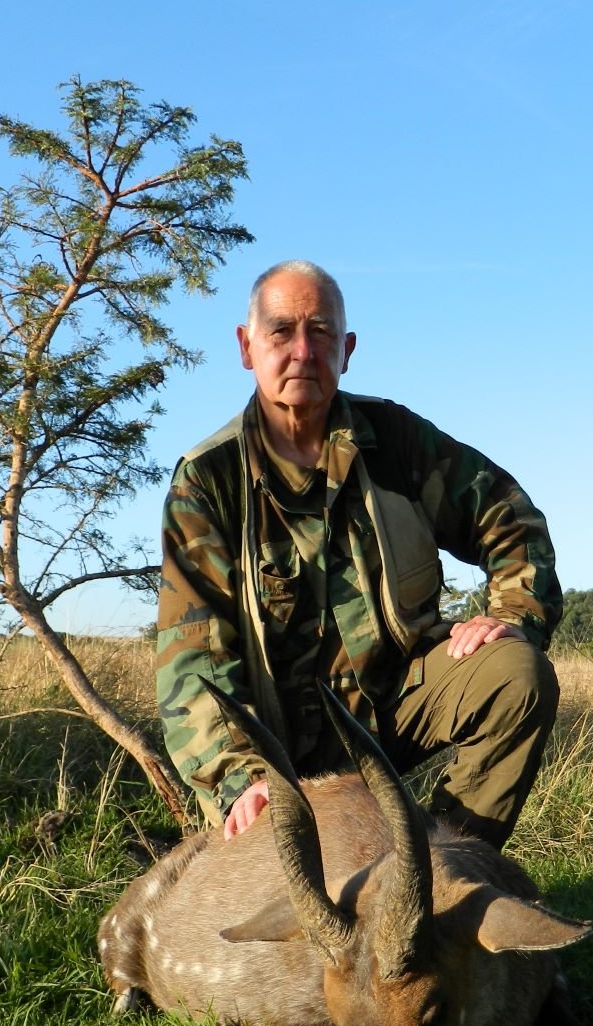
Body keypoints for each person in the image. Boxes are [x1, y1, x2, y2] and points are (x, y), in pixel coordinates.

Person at [155, 260, 561, 848]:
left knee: (516, 676)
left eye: (319, 332)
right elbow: (193, 660)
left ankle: (449, 874)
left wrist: (512, 615)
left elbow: (512, 521)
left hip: (395, 705)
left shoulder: (396, 440)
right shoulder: (208, 480)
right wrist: (238, 776)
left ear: (345, 350)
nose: (302, 351)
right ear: (246, 347)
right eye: (280, 332)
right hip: (277, 748)